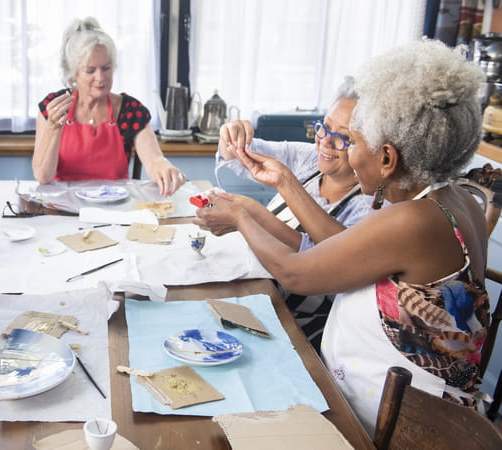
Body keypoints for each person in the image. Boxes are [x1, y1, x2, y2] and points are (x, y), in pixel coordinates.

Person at [202, 39, 490, 436]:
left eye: (353, 142)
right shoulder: (451, 199)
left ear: (388, 158)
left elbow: (295, 274)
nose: (348, 155)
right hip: (397, 408)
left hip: (399, 429)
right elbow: (343, 243)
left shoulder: (412, 221)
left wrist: (241, 214)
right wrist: (285, 181)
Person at [195, 78, 374, 349]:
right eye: (324, 127)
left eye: (344, 138)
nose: (326, 141)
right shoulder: (310, 159)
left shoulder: (368, 205)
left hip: (299, 326)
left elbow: (327, 258)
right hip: (258, 293)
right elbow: (238, 156)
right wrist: (231, 135)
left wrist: (249, 215)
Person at [33, 17, 186, 197]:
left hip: (115, 207)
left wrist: (165, 168)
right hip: (62, 207)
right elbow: (43, 176)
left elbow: (154, 161)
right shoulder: (53, 107)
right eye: (90, 71)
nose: (100, 77)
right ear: (73, 73)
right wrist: (53, 127)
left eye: (106, 68)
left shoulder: (131, 110)